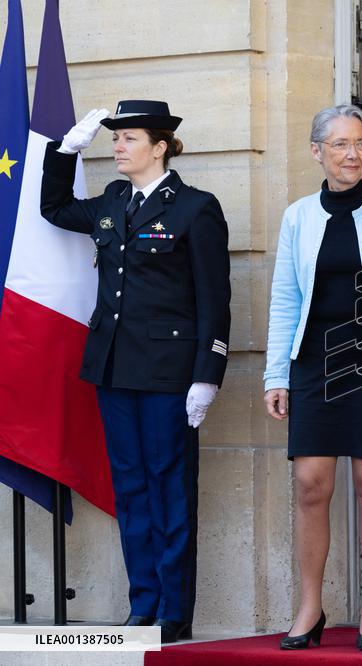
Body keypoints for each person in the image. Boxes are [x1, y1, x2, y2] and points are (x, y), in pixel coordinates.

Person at [40, 101, 231, 643]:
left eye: (127, 138)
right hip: (114, 369)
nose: (117, 146)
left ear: (160, 145)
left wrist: (207, 373)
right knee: (130, 489)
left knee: (170, 488)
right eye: (115, 138)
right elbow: (53, 208)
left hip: (171, 374)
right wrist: (64, 150)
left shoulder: (195, 208)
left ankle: (175, 609)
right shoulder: (113, 201)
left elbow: (214, 299)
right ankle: (142, 604)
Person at [263, 104, 362, 651]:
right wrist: (274, 375)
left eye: (360, 143)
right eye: (340, 144)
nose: (353, 154)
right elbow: (285, 297)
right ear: (317, 152)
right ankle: (309, 608)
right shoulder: (298, 217)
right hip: (312, 360)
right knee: (312, 484)